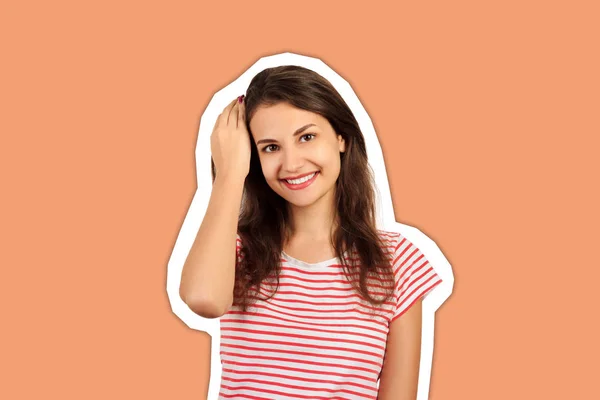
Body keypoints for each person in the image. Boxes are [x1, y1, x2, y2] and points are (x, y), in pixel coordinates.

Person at [180, 65, 443, 400]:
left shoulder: (397, 261)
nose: (291, 164)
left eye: (306, 137)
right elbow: (203, 299)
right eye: (270, 147)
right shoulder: (235, 250)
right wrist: (231, 172)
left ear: (341, 137)